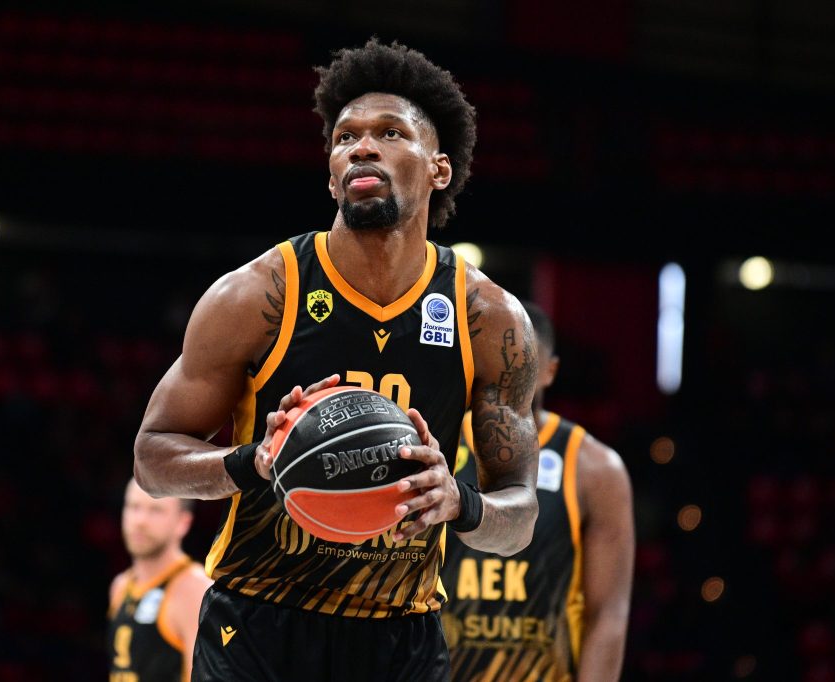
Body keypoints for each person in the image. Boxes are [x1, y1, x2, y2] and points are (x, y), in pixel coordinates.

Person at [133, 39, 541, 682]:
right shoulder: (258, 295)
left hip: (399, 635)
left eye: (390, 133)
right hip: (258, 624)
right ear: (331, 175)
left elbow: (519, 517)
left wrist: (459, 502)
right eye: (346, 137)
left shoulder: (487, 318)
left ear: (439, 169)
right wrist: (251, 462)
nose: (362, 147)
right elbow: (152, 458)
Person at [441, 302, 635, 682]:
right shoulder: (439, 442)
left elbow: (608, 614)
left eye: (524, 359)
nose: (510, 369)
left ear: (550, 371)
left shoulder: (596, 469)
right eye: (498, 356)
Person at [108, 478, 212, 682]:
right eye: (133, 507)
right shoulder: (120, 586)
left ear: (183, 522)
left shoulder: (195, 590)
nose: (140, 521)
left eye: (156, 510)